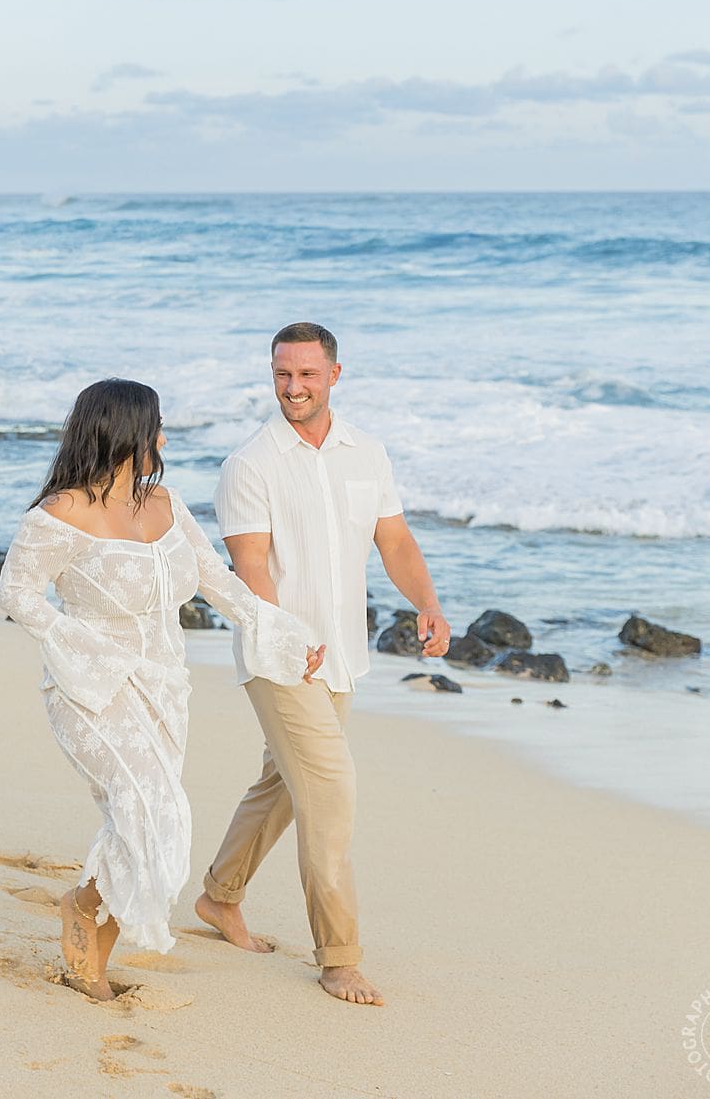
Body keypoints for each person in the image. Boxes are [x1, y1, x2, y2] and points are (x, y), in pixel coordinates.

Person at [0, 377, 324, 1000]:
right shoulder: (60, 513)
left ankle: (86, 917)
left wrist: (279, 631)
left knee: (141, 820)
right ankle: (84, 917)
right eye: (156, 426)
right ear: (124, 434)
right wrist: (71, 638)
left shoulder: (166, 503)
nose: (164, 438)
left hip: (164, 684)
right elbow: (15, 592)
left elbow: (216, 580)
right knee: (152, 810)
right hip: (89, 687)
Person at [195, 322, 450, 1006]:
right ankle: (338, 956)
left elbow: (393, 539)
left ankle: (220, 897)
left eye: (306, 374)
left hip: (341, 657)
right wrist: (280, 637)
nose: (293, 387)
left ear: (335, 374)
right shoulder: (250, 464)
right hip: (279, 659)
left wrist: (426, 601)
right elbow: (249, 566)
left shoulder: (366, 452)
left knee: (282, 783)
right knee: (331, 795)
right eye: (282, 374)